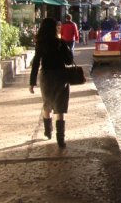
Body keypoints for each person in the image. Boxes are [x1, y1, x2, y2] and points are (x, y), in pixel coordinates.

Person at [29, 17, 74, 148]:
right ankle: (61, 139)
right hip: (61, 76)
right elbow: (68, 62)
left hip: (46, 77)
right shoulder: (61, 43)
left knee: (47, 104)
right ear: (55, 28)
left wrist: (32, 82)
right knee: (60, 108)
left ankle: (48, 131)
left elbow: (36, 63)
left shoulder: (40, 44)